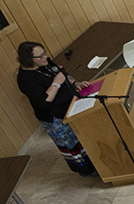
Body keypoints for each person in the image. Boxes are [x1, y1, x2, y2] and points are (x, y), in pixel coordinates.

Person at [15, 41, 95, 175]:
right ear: (29, 60)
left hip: (69, 105)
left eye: (44, 53)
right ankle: (86, 170)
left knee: (84, 137)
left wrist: (76, 83)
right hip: (54, 116)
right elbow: (44, 102)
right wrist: (56, 84)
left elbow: (63, 74)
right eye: (40, 56)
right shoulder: (25, 79)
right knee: (71, 144)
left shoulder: (45, 63)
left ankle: (96, 161)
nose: (45, 57)